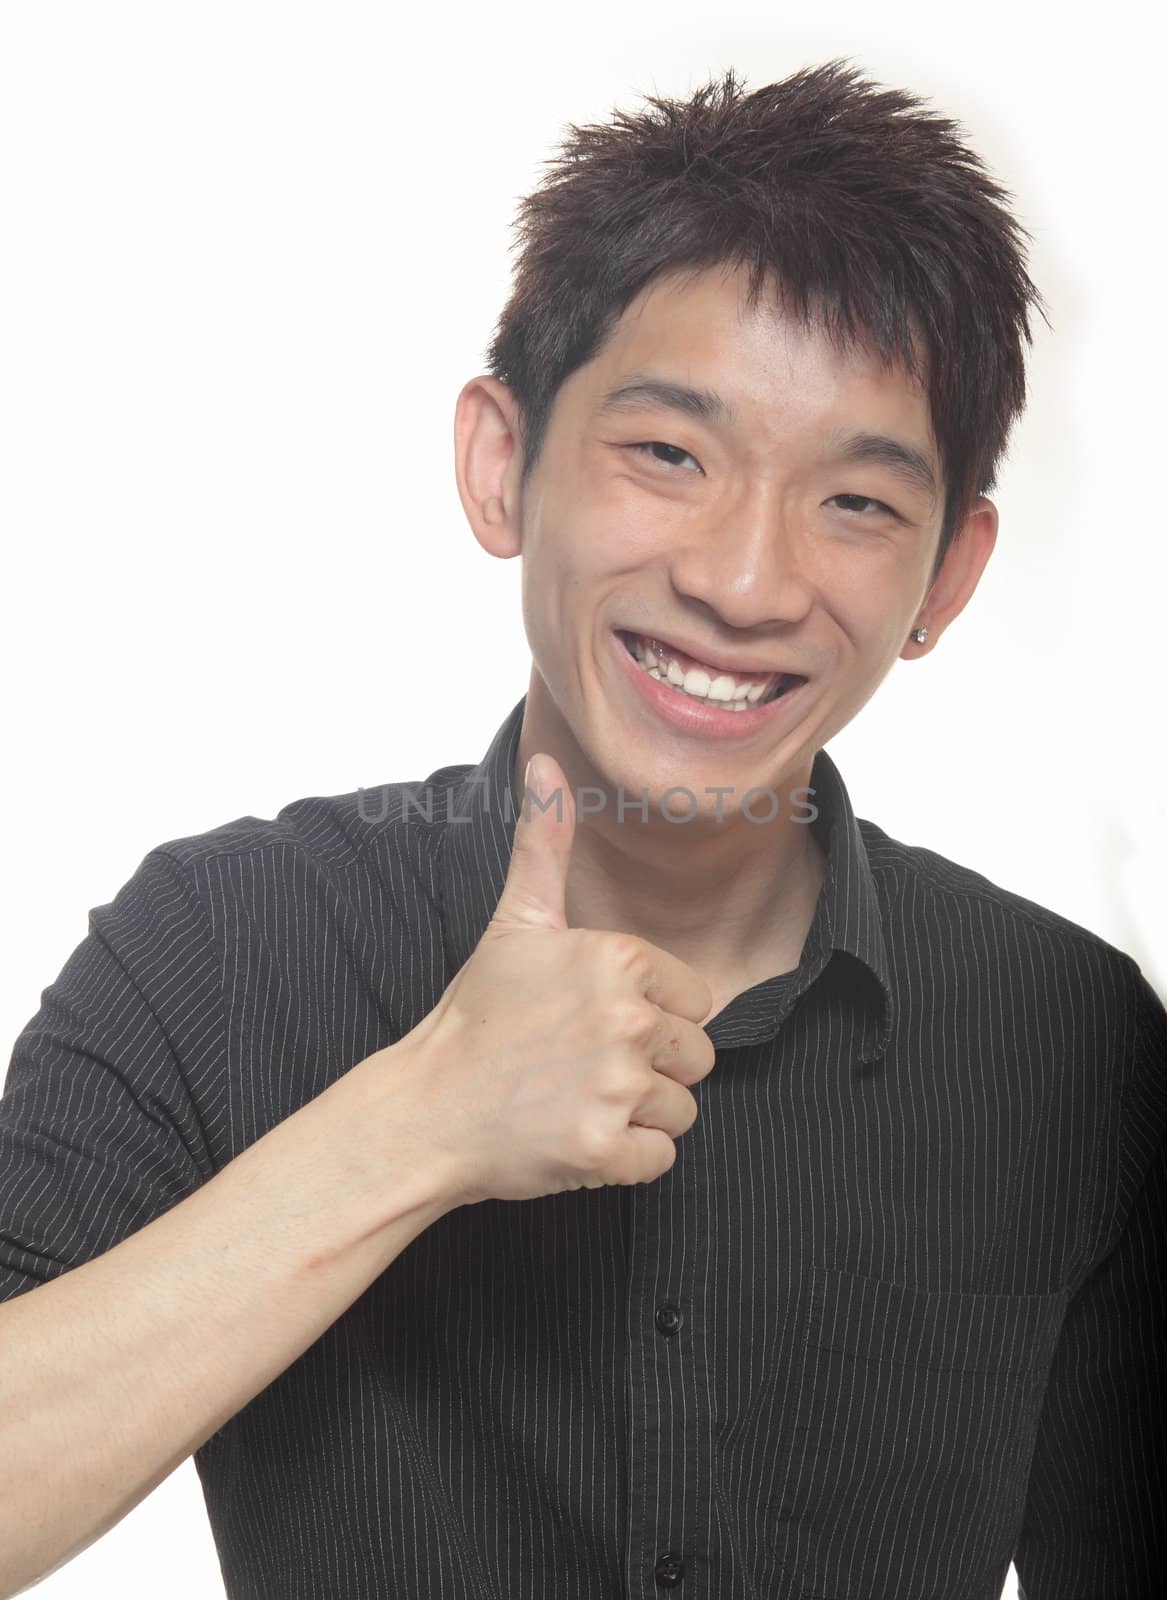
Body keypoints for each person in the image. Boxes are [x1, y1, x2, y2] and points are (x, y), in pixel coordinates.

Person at [1, 57, 1163, 1600]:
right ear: (503, 463)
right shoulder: (218, 947)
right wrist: (416, 1124)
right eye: (670, 455)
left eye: (859, 504)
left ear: (948, 579)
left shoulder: (1071, 1039)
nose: (747, 583)